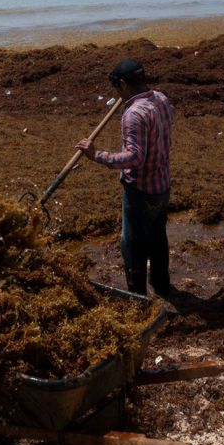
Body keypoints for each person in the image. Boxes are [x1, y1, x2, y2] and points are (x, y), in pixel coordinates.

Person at [76, 58, 175, 297]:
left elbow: (134, 158)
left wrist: (96, 155)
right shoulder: (161, 99)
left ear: (122, 84)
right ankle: (162, 286)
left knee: (133, 246)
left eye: (115, 87)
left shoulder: (133, 114)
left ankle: (137, 296)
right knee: (157, 239)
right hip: (162, 185)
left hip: (140, 190)